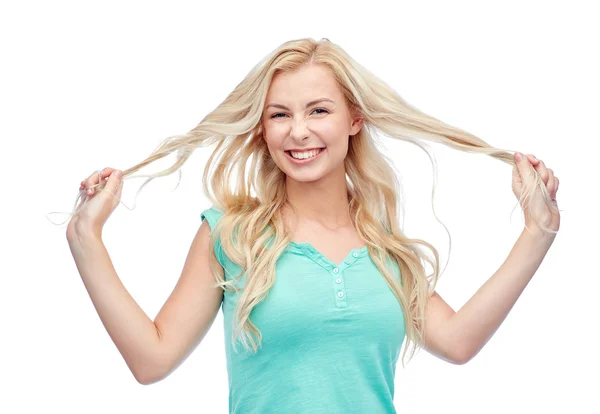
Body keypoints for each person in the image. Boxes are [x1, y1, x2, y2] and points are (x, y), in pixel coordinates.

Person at [65, 38, 560, 413]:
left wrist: (537, 233)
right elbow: (152, 361)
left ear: (354, 119)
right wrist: (85, 240)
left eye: (318, 110)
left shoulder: (386, 249)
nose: (298, 131)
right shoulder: (231, 236)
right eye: (279, 114)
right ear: (263, 130)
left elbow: (457, 342)